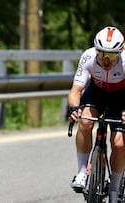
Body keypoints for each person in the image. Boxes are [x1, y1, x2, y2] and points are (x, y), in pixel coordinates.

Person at [68, 26, 125, 202]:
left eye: (112, 55)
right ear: (96, 51)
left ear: (120, 53)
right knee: (85, 122)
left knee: (119, 144)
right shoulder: (88, 56)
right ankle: (81, 172)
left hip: (122, 96)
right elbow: (76, 90)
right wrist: (74, 108)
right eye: (102, 54)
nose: (106, 60)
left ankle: (114, 189)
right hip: (97, 91)